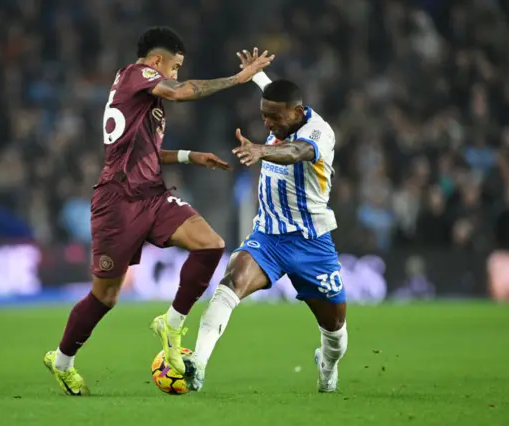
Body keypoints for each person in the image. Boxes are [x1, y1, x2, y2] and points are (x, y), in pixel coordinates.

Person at [43, 29, 273, 396]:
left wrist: (189, 156)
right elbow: (181, 92)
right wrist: (238, 79)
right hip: (117, 202)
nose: (176, 75)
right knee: (105, 297)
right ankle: (62, 361)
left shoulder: (140, 98)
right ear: (155, 62)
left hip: (151, 195)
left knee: (211, 244)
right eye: (175, 67)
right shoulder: (138, 75)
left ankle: (172, 322)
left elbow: (144, 152)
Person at [187, 48, 348, 393]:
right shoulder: (282, 111)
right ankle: (196, 365)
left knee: (335, 332)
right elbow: (273, 97)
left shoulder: (320, 132)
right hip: (269, 237)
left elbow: (296, 152)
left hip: (311, 242)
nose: (268, 125)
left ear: (299, 113)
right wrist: (256, 75)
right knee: (230, 283)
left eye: (274, 120)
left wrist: (261, 150)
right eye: (264, 117)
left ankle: (327, 362)